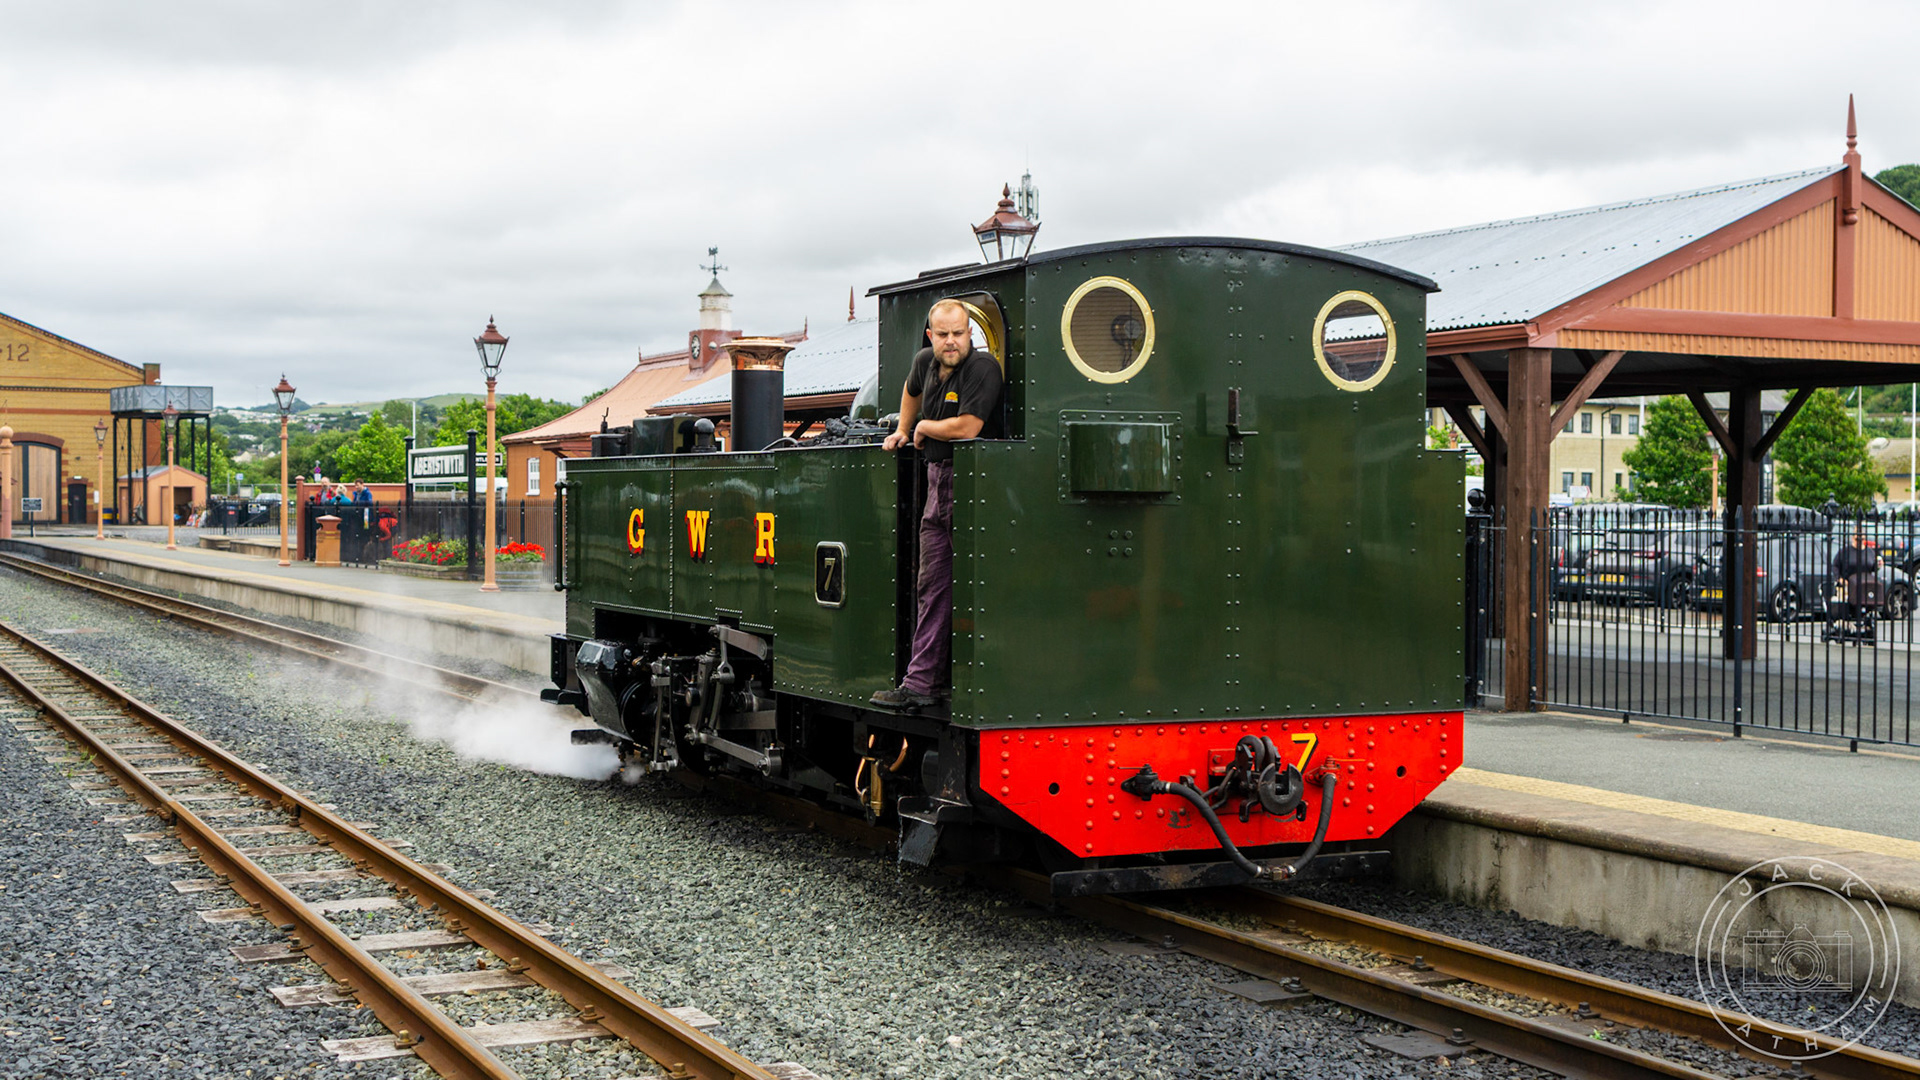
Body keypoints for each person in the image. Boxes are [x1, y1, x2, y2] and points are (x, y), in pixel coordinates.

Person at [871, 299, 1003, 709]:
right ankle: (921, 684)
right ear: (931, 335)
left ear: (970, 333)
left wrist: (925, 426)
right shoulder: (924, 361)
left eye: (959, 333)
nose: (951, 341)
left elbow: (967, 427)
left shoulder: (983, 368)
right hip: (936, 480)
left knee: (970, 586)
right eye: (943, 334)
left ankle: (966, 682)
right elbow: (911, 390)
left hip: (972, 482)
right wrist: (903, 428)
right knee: (932, 585)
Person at [1825, 529, 1882, 643]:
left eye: (1862, 537)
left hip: (1864, 589)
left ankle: (1866, 626)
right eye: (1857, 537)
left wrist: (1878, 566)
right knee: (1844, 603)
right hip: (1847, 587)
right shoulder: (1845, 552)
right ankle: (1844, 626)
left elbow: (1873, 568)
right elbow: (1835, 566)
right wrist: (1839, 578)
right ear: (1853, 537)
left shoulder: (1870, 552)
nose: (1860, 539)